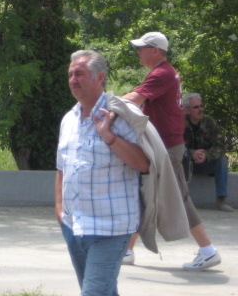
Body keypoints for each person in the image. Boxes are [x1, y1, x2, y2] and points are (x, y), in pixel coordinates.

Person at [122, 31, 221, 270]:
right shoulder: (163, 73)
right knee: (145, 196)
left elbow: (134, 98)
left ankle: (208, 250)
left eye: (142, 48)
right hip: (162, 146)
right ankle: (126, 251)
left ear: (155, 50)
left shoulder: (162, 74)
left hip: (166, 148)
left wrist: (102, 104)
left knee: (179, 198)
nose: (138, 51)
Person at [56, 50, 149, 296]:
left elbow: (144, 164)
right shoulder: (69, 119)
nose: (73, 80)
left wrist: (109, 136)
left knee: (93, 292)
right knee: (104, 291)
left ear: (100, 78)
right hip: (73, 225)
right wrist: (59, 210)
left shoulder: (122, 116)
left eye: (80, 74)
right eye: (71, 74)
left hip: (111, 228)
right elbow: (61, 168)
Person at [183, 93, 233, 212]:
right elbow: (174, 146)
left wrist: (206, 155)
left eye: (201, 106)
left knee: (222, 160)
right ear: (187, 110)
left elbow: (220, 145)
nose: (200, 109)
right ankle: (180, 201)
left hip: (206, 163)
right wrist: (191, 153)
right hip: (186, 164)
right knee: (176, 159)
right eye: (196, 107)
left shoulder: (209, 122)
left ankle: (221, 200)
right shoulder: (180, 124)